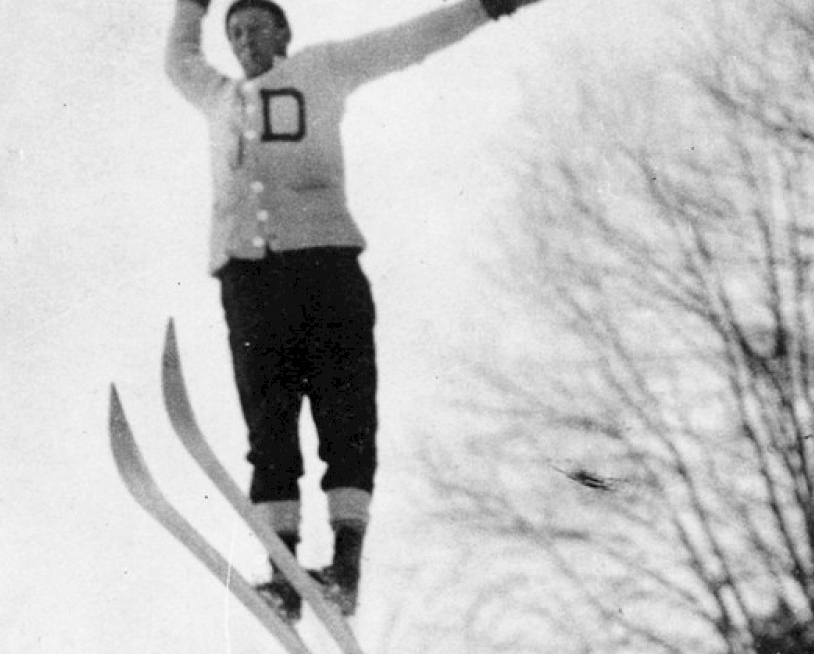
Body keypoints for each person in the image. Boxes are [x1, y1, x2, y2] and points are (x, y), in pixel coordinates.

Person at [164, 0, 542, 622]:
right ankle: (283, 574)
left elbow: (410, 39)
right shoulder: (217, 96)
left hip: (325, 268)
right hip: (249, 279)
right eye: (234, 31)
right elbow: (178, 57)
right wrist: (192, 5)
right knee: (270, 427)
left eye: (257, 26)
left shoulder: (323, 69)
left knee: (344, 417)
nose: (245, 39)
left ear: (284, 33)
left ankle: (344, 566)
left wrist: (486, 7)